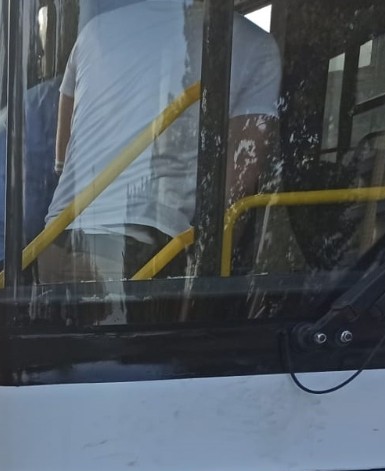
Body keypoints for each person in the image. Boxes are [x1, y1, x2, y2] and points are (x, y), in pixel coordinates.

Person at [41, 0, 280, 283]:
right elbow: (235, 188)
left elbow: (62, 159)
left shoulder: (94, 30)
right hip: (142, 244)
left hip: (52, 240)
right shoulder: (255, 45)